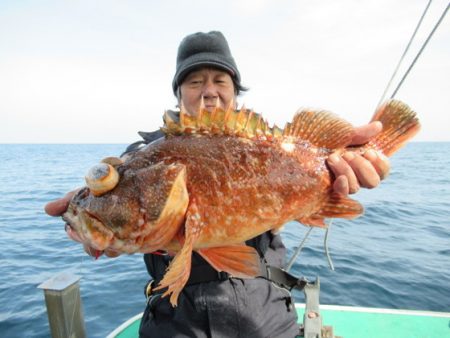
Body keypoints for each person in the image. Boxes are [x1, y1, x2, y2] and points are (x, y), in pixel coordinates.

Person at [45, 31, 390, 337]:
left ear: (235, 94)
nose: (208, 91)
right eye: (194, 81)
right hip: (175, 322)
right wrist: (89, 218)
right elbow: (116, 194)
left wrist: (351, 165)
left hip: (264, 316)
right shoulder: (142, 157)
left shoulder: (269, 147)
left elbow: (327, 166)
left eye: (220, 81)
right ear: (179, 95)